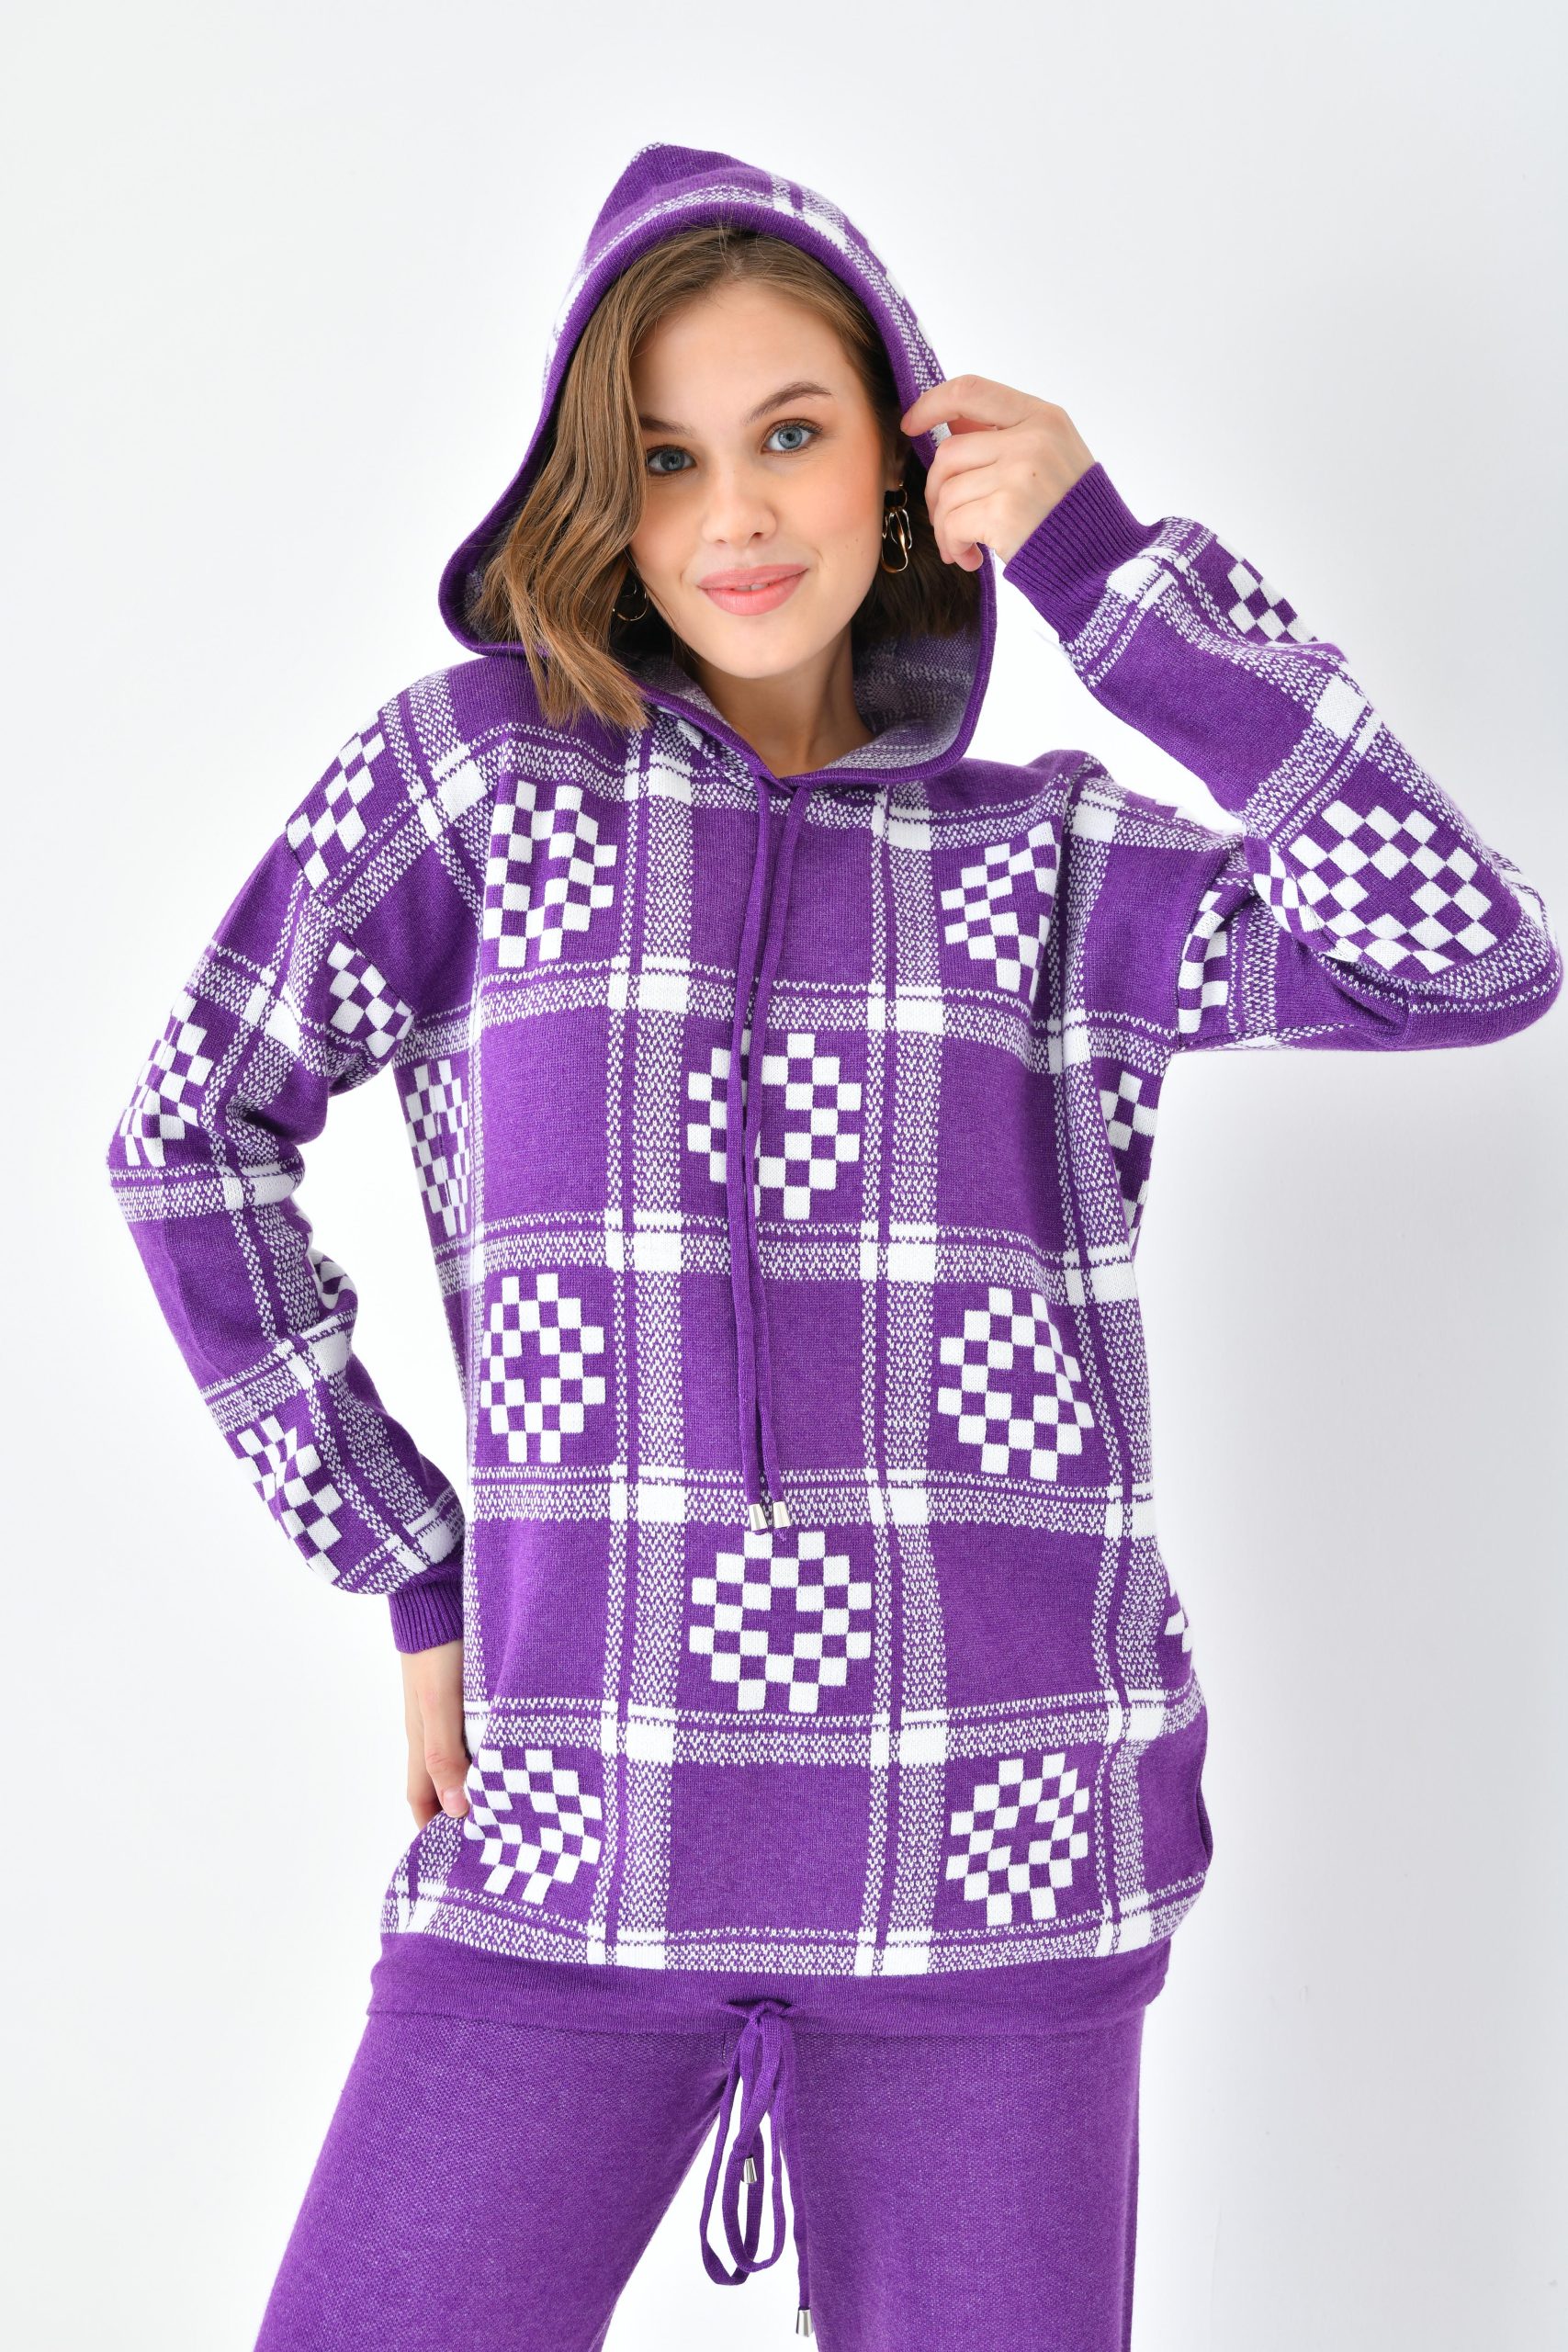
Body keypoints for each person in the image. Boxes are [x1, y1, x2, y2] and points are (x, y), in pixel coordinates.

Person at [104, 140, 1562, 2351]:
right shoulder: (478, 781)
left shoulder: (1045, 861)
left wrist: (1106, 572)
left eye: (788, 433)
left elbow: (1466, 957)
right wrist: (413, 1565)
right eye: (663, 459)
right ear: (594, 502)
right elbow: (186, 1135)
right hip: (572, 1832)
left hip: (999, 1854)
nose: (733, 516)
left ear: (899, 458)